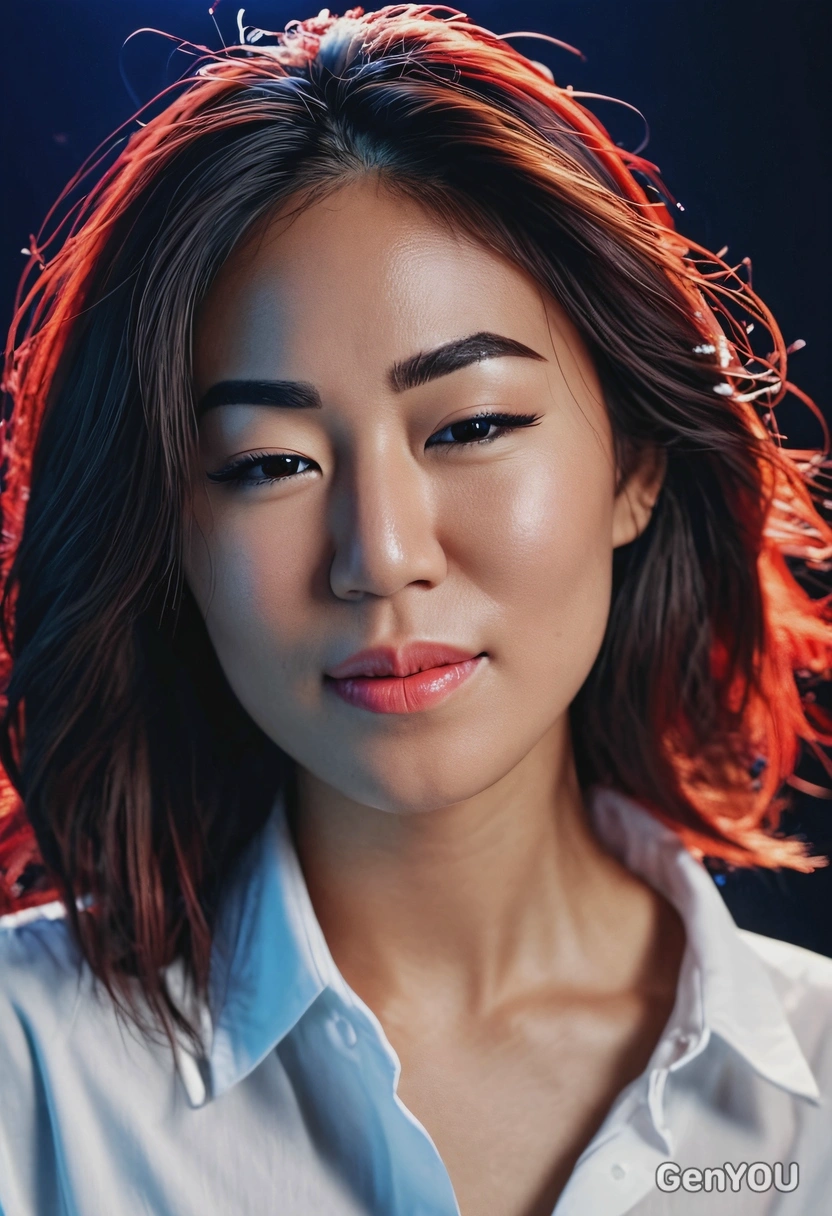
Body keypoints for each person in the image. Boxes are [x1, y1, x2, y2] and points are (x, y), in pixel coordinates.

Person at [1, 6, 831, 1214]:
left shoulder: (813, 1097)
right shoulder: (31, 1070)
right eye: (268, 462)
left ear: (636, 465)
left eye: (472, 427)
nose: (380, 557)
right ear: (169, 529)